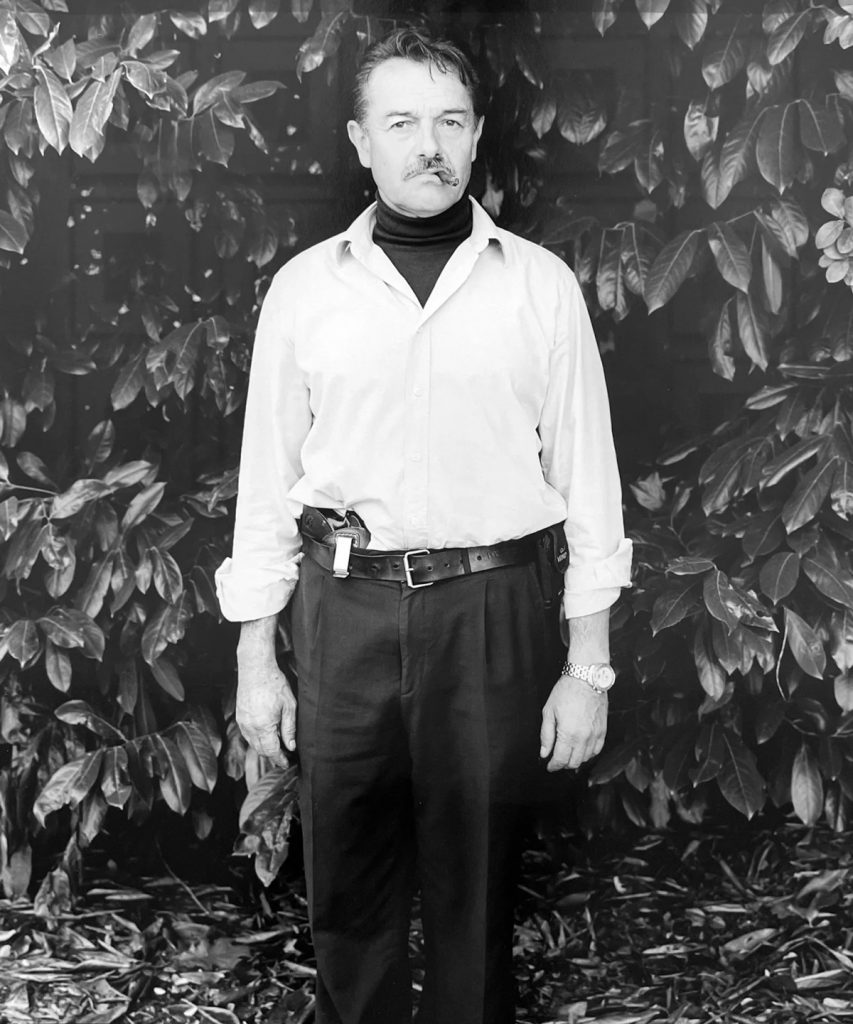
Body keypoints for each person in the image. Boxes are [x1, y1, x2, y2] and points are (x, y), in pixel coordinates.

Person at [215, 26, 632, 1024]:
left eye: (449, 122)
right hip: (343, 611)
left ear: (477, 136)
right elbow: (267, 485)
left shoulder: (538, 286)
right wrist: (255, 658)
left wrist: (587, 668)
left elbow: (588, 482)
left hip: (490, 610)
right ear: (361, 141)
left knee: (475, 882)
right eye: (401, 122)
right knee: (346, 885)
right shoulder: (306, 290)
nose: (428, 145)